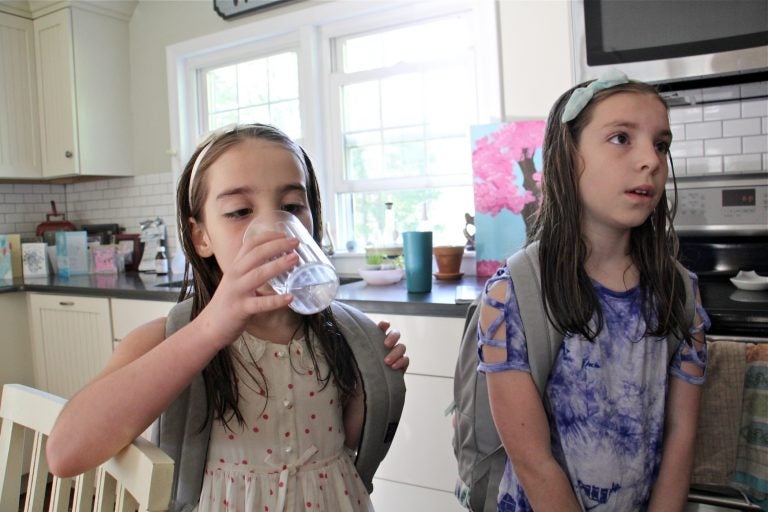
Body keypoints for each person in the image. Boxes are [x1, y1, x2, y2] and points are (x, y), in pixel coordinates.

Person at [46, 123, 409, 512]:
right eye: (239, 211)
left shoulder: (340, 335)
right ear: (201, 235)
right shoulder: (170, 338)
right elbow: (67, 454)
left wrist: (375, 379)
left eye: (291, 208)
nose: (272, 230)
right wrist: (208, 331)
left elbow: (347, 440)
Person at [477, 69, 710, 511]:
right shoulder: (514, 294)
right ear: (568, 156)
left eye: (661, 144)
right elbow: (534, 462)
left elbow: (682, 436)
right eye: (622, 138)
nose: (652, 160)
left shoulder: (679, 292)